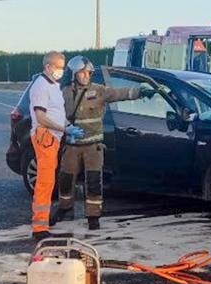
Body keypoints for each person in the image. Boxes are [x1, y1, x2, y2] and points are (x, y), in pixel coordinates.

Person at [56, 56, 155, 230]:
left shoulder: (100, 91)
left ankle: (93, 217)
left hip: (93, 147)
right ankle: (65, 209)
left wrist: (140, 91)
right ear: (73, 74)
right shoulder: (64, 92)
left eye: (88, 72)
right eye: (82, 72)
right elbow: (55, 112)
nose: (86, 75)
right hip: (71, 146)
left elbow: (120, 93)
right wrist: (66, 129)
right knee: (65, 179)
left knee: (94, 181)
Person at [29, 51, 74, 241]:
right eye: (58, 67)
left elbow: (57, 112)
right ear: (48, 67)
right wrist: (63, 128)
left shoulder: (53, 86)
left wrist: (69, 127)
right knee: (45, 183)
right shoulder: (41, 86)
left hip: (52, 137)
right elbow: (41, 117)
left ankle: (43, 220)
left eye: (62, 67)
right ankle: (39, 227)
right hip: (45, 136)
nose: (61, 71)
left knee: (48, 182)